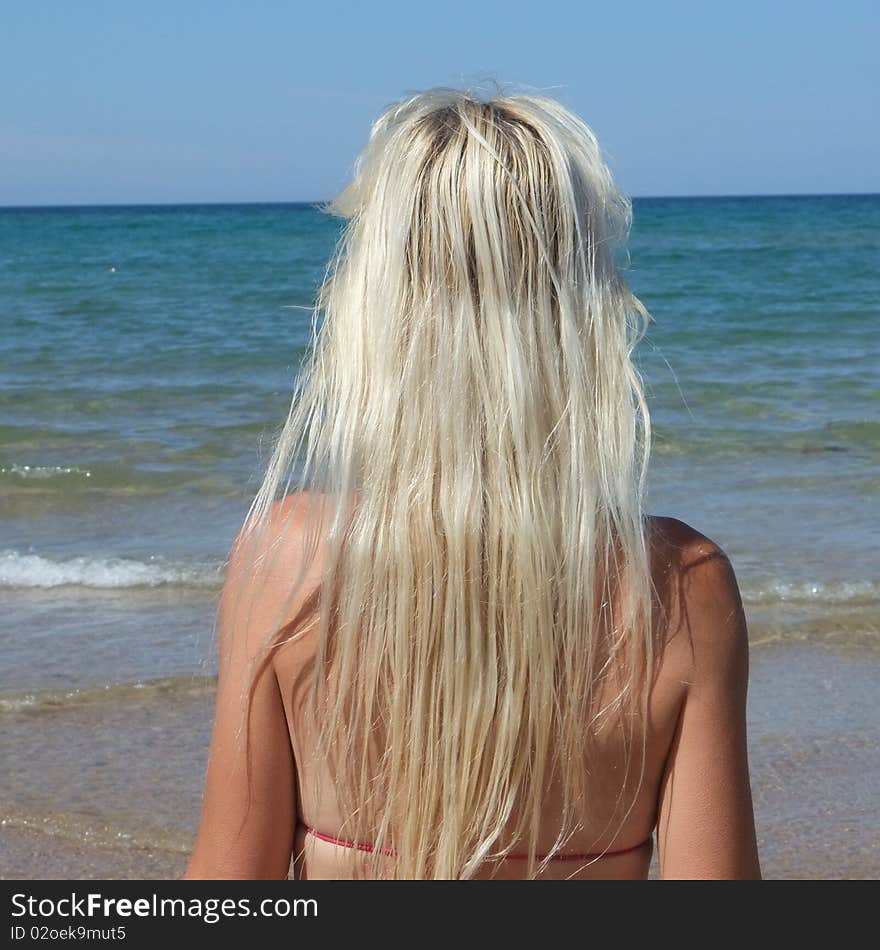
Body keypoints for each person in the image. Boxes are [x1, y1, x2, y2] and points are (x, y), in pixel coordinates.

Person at [184, 87, 761, 880]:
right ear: (586, 305)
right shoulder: (680, 588)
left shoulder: (284, 559)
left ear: (373, 302)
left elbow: (226, 890)